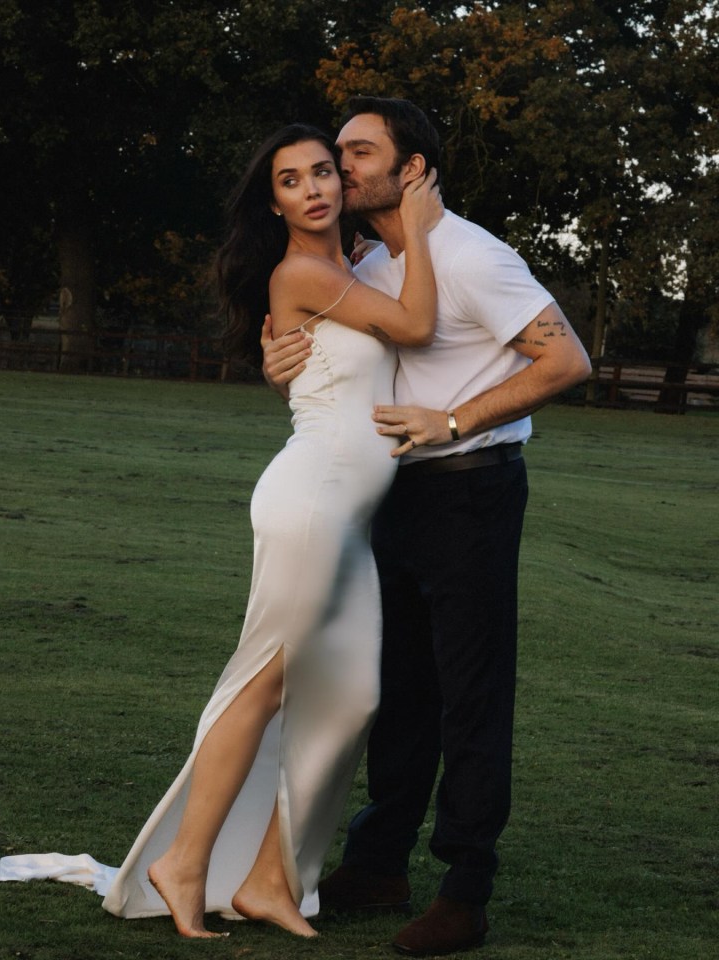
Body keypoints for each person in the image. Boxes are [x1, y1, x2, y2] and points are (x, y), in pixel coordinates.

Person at [262, 97, 592, 957]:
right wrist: (278, 363)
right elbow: (334, 373)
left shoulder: (474, 256)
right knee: (401, 692)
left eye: (360, 154)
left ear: (412, 170)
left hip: (470, 494)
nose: (341, 168)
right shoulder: (366, 265)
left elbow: (566, 359)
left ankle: (465, 890)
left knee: (471, 697)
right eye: (335, 154)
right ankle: (378, 863)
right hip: (391, 500)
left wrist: (454, 422)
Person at [96, 125, 443, 939]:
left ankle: (269, 880)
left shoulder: (346, 264)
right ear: (275, 201)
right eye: (292, 181)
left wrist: (275, 365)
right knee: (261, 685)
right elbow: (417, 325)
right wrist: (423, 235)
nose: (315, 188)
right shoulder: (303, 270)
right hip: (312, 498)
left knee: (353, 697)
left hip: (352, 516)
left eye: (324, 171)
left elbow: (325, 365)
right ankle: (183, 861)